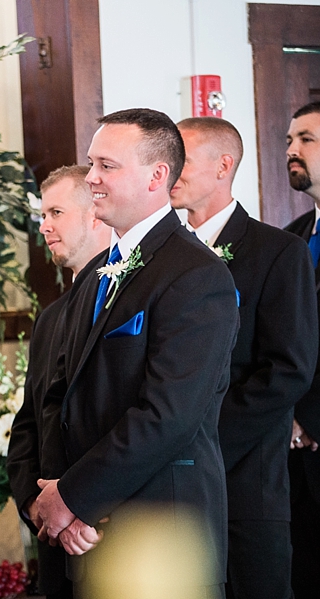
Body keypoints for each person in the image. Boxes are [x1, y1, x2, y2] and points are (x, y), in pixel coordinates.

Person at [35, 109, 239, 598]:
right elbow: (60, 396)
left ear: (157, 176)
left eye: (107, 165)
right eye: (91, 164)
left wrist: (75, 497)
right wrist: (58, 495)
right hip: (89, 537)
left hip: (163, 533)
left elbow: (169, 416)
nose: (92, 178)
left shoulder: (196, 274)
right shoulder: (96, 277)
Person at [171, 116, 317, 599]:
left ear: (223, 165)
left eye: (182, 159)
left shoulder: (277, 251)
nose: (169, 171)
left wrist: (203, 440)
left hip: (244, 474)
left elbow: (287, 369)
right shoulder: (163, 256)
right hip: (171, 483)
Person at [6, 164, 111, 599]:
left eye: (56, 213)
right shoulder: (50, 318)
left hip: (103, 526)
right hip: (52, 528)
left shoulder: (120, 302)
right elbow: (30, 418)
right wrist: (35, 505)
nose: (44, 227)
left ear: (95, 215)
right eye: (42, 216)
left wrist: (79, 507)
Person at [281, 100, 320, 598]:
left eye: (306, 140)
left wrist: (311, 416)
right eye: (289, 140)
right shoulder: (291, 241)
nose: (292, 150)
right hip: (289, 456)